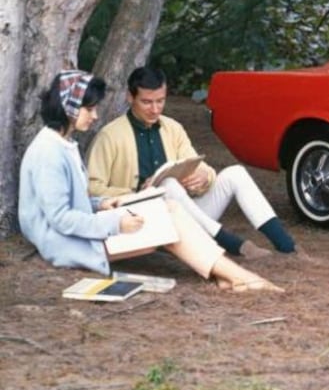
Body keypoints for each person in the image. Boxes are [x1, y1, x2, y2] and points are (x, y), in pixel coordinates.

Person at [18, 70, 281, 292]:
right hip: (69, 243)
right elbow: (60, 219)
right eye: (89, 109)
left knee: (170, 208)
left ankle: (229, 276)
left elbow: (79, 201)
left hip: (93, 227)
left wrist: (104, 203)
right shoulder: (49, 152)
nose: (95, 115)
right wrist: (116, 220)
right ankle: (236, 276)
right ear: (69, 108)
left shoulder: (64, 143)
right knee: (167, 214)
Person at [86, 66, 296, 257]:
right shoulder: (110, 135)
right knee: (167, 186)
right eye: (147, 102)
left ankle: (286, 245)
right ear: (130, 98)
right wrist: (136, 192)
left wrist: (204, 176)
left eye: (161, 101)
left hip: (185, 217)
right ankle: (230, 243)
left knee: (235, 173)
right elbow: (92, 189)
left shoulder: (173, 128)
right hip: (140, 221)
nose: (155, 109)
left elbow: (198, 165)